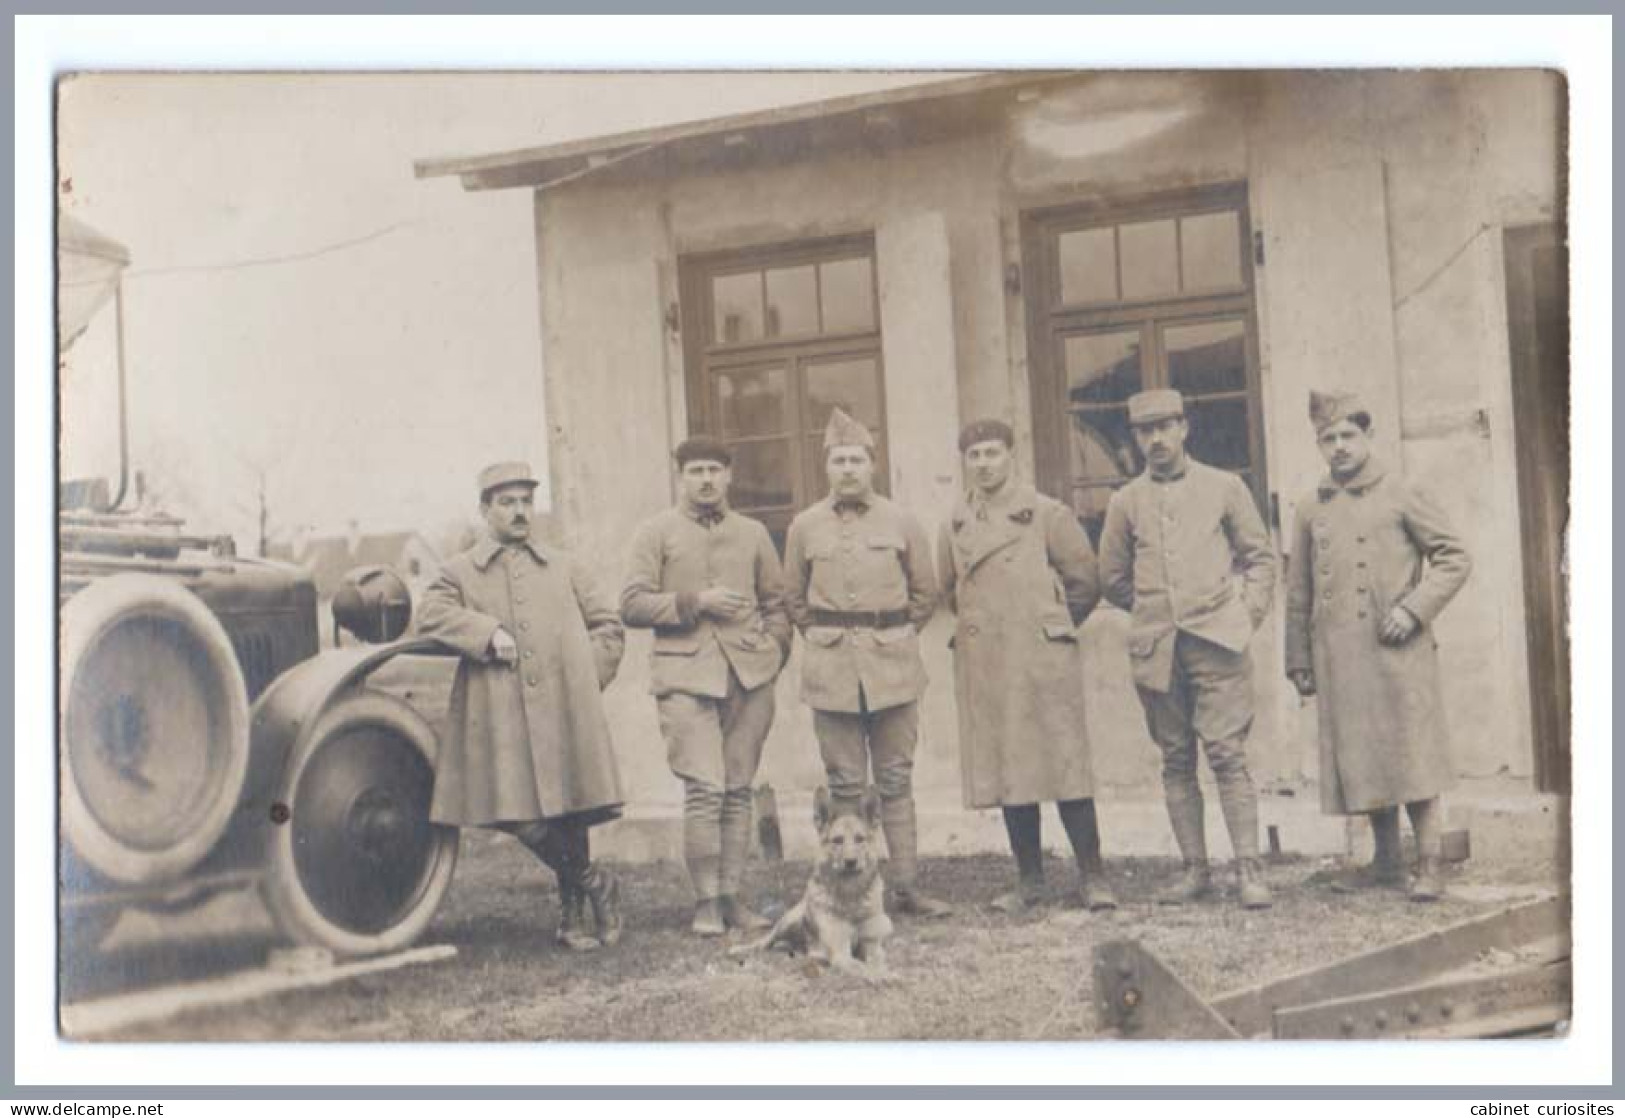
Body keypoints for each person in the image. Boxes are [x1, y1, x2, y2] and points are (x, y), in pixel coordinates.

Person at [418, 461, 626, 951]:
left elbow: (608, 626)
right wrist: (486, 632)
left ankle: (573, 917)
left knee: (571, 809)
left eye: (526, 502)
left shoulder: (564, 564)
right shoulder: (460, 571)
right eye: (507, 502)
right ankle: (597, 882)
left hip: (565, 708)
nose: (519, 512)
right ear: (485, 509)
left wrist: (585, 676)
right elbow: (430, 614)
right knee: (518, 817)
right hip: (501, 715)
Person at [1285, 391, 1472, 901]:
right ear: (1319, 444)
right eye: (1329, 438)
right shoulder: (1310, 506)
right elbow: (1297, 590)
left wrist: (1412, 610)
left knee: (1413, 755)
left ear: (1367, 436)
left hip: (1398, 648)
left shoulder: (1402, 490)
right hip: (1340, 656)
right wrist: (1298, 658)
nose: (1340, 447)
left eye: (1349, 435)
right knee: (1363, 755)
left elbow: (1454, 558)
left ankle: (1429, 862)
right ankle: (1387, 861)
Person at [1098, 390, 1278, 909]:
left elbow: (1259, 558)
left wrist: (1245, 614)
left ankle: (1248, 869)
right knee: (1176, 759)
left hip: (1219, 643)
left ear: (1184, 428)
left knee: (1227, 754)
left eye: (1164, 427)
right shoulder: (1125, 501)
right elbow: (1111, 576)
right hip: (1157, 650)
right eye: (1144, 431)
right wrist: (1157, 611)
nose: (1155, 439)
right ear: (1135, 437)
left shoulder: (1224, 487)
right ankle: (1193, 870)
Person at [937, 418, 1118, 913]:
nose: (983, 464)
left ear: (1012, 456)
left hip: (1041, 659)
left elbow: (1085, 579)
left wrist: (1050, 628)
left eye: (992, 453)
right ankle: (1030, 880)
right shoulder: (956, 523)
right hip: (990, 661)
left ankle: (1094, 877)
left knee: (1064, 765)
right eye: (974, 456)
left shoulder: (1044, 514)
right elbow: (948, 588)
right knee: (1009, 768)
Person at [783, 407, 952, 918]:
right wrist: (822, 635)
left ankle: (904, 888)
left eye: (857, 459)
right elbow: (793, 597)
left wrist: (892, 634)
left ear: (872, 464)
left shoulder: (901, 521)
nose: (848, 469)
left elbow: (926, 592)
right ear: (827, 467)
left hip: (893, 668)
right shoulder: (804, 526)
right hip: (831, 671)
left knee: (896, 781)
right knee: (845, 786)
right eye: (838, 460)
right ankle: (849, 892)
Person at [620, 436, 791, 936]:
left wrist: (776, 651)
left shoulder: (754, 533)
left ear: (730, 476)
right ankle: (706, 902)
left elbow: (778, 601)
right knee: (704, 788)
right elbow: (631, 603)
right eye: (696, 470)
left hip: (749, 676)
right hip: (684, 677)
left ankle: (733, 896)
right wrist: (696, 601)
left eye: (715, 470)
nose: (707, 480)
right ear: (681, 476)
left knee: (737, 789)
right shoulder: (656, 533)